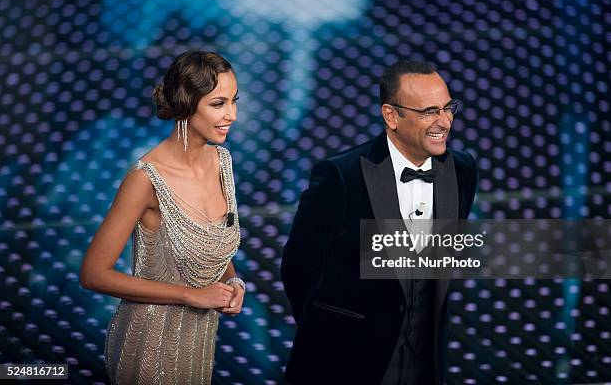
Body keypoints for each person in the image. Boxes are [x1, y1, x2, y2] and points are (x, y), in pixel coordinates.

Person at [281, 60, 478, 384]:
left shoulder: (462, 170)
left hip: (423, 367)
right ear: (391, 115)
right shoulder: (341, 176)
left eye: (448, 108)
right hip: (342, 365)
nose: (445, 121)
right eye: (430, 111)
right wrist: (330, 333)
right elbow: (297, 267)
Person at [80, 50, 246, 384]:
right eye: (218, 104)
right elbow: (93, 274)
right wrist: (191, 295)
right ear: (186, 105)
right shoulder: (146, 178)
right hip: (148, 348)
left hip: (199, 344)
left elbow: (212, 241)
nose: (232, 114)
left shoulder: (222, 162)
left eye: (234, 101)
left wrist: (233, 281)